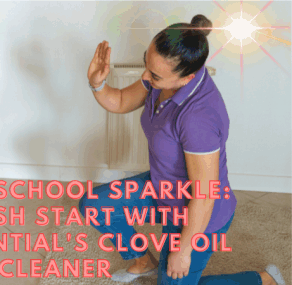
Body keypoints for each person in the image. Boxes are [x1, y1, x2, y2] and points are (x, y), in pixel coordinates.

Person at [80, 14, 286, 285]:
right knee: (96, 205)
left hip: (198, 214)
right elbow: (119, 101)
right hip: (163, 189)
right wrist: (97, 83)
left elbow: (205, 194)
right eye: (146, 64)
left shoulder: (198, 117)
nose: (145, 77)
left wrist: (184, 250)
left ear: (187, 77)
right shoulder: (161, 78)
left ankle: (263, 280)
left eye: (153, 75)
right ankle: (143, 261)